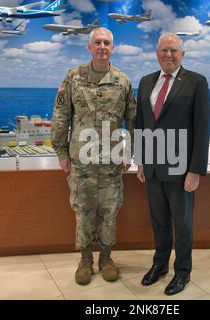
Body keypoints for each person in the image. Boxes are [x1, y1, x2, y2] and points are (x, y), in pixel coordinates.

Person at [51, 27, 136, 285]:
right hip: (82, 163)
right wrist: (61, 151)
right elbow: (60, 116)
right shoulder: (73, 77)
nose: (102, 47)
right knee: (84, 211)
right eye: (97, 42)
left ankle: (107, 259)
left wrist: (129, 151)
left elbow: (132, 119)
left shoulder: (122, 81)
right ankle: (85, 260)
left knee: (110, 211)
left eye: (107, 43)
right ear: (89, 47)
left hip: (111, 163)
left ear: (112, 48)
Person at [135, 32, 210, 295]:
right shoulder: (145, 83)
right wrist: (141, 161)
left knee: (183, 224)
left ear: (182, 54)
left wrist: (195, 170)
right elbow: (141, 125)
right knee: (159, 222)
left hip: (181, 170)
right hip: (153, 168)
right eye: (163, 50)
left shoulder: (197, 82)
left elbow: (202, 129)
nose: (168, 55)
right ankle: (160, 265)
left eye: (173, 51)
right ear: (157, 53)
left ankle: (183, 272)